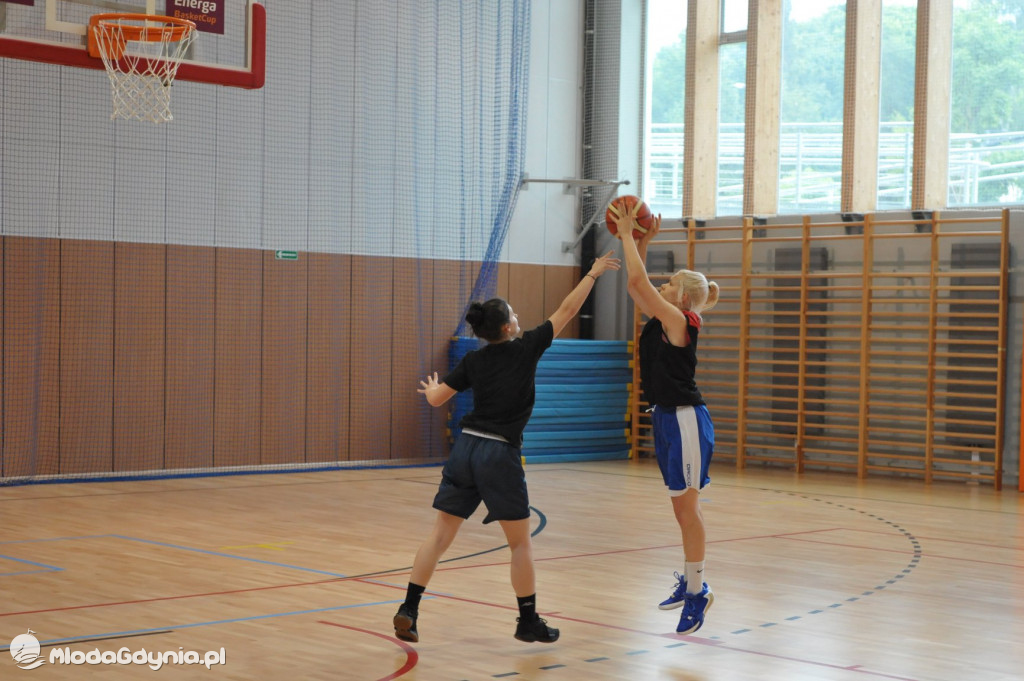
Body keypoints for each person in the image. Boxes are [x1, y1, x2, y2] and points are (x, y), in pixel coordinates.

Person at [393, 250, 621, 644]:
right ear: (509, 326)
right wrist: (593, 273)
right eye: (514, 314)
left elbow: (435, 400)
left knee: (439, 537)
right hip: (498, 454)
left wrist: (432, 388)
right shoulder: (527, 346)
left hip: (465, 450)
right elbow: (567, 309)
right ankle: (527, 621)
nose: (519, 318)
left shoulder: (474, 360)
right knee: (520, 542)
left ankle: (409, 609)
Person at [609, 201, 720, 635]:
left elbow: (637, 279)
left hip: (688, 420)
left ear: (683, 297)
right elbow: (636, 288)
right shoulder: (660, 318)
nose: (662, 283)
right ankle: (694, 582)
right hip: (666, 419)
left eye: (670, 282)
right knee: (681, 512)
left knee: (688, 512)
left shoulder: (680, 321)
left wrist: (627, 235)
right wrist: (644, 239)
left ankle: (698, 592)